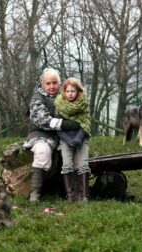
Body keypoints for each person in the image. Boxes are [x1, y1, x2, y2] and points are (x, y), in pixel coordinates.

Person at [24, 68, 80, 203]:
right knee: (42, 152)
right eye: (48, 83)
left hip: (63, 135)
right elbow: (42, 120)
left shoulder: (67, 95)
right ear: (42, 84)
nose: (52, 86)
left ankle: (74, 192)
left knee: (75, 153)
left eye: (55, 83)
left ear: (59, 83)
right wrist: (66, 124)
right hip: (40, 134)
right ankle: (35, 193)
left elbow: (78, 113)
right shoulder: (37, 97)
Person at [54, 77, 91, 202]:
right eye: (68, 91)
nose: (70, 94)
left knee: (83, 165)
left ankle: (85, 195)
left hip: (81, 137)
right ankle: (70, 195)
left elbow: (86, 123)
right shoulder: (59, 105)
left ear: (78, 92)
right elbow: (57, 126)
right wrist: (67, 140)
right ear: (64, 91)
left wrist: (78, 139)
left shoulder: (83, 105)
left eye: (73, 91)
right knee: (67, 165)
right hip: (65, 139)